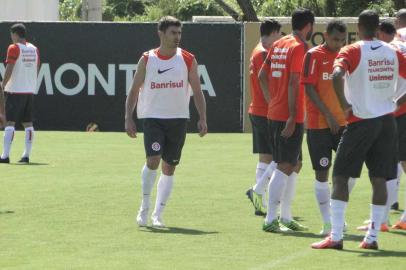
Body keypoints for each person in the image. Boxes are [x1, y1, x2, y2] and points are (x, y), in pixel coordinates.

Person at [312, 10, 406, 250]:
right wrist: (398, 102)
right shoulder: (393, 51)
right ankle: (372, 238)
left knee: (340, 176)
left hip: (361, 120)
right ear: (377, 28)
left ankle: (335, 236)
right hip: (387, 121)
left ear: (359, 26)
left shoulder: (351, 50)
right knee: (379, 179)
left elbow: (336, 75)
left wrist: (344, 106)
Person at [125, 16, 207, 228]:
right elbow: (134, 90)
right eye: (173, 33)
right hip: (153, 118)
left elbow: (197, 91)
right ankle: (144, 206)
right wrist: (128, 117)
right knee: (153, 159)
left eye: (179, 33)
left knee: (170, 167)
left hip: (178, 119)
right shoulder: (147, 59)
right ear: (161, 33)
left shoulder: (188, 59)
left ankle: (158, 214)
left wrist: (202, 118)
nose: (177, 37)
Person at [258, 8, 315, 232]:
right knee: (284, 166)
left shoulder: (280, 43)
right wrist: (292, 115)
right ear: (308, 25)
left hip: (276, 112)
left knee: (294, 164)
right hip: (289, 116)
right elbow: (294, 82)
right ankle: (271, 219)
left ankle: (285, 216)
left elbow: (263, 75)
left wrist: (272, 101)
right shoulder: (299, 47)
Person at [300, 20, 356, 235]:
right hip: (319, 125)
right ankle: (327, 222)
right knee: (322, 172)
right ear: (325, 35)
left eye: (342, 40)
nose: (339, 44)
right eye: (335, 39)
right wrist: (329, 116)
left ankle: (336, 213)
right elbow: (309, 89)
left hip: (345, 123)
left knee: (351, 172)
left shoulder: (346, 57)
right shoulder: (313, 55)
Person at [246, 19, 282, 216]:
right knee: (278, 158)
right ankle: (258, 192)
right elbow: (265, 82)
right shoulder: (262, 53)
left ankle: (260, 199)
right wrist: (275, 107)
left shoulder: (258, 49)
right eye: (280, 33)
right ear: (274, 32)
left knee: (266, 159)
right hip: (265, 111)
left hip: (260, 110)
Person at [0, 23, 39, 164]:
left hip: (15, 90)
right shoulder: (34, 49)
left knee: (10, 122)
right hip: (29, 90)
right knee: (28, 123)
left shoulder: (14, 48)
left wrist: (3, 85)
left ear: (15, 34)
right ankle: (26, 155)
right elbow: (37, 68)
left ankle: (5, 156)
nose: (11, 37)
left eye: (11, 35)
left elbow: (9, 68)